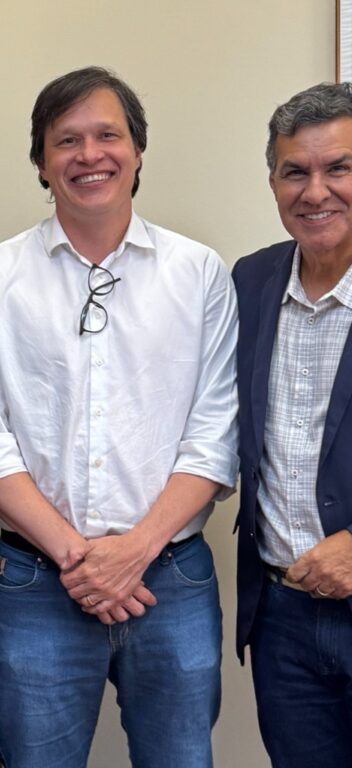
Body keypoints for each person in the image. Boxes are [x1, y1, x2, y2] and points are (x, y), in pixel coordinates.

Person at [0, 66, 238, 768]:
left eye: (107, 135)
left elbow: (215, 434)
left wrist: (133, 551)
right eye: (66, 140)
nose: (89, 155)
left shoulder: (199, 273)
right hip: (37, 583)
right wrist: (81, 561)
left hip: (171, 577)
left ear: (137, 150)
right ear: (41, 163)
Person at [234, 82, 352, 768]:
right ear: (273, 183)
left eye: (339, 168)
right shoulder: (249, 282)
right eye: (294, 172)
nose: (316, 192)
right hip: (282, 620)